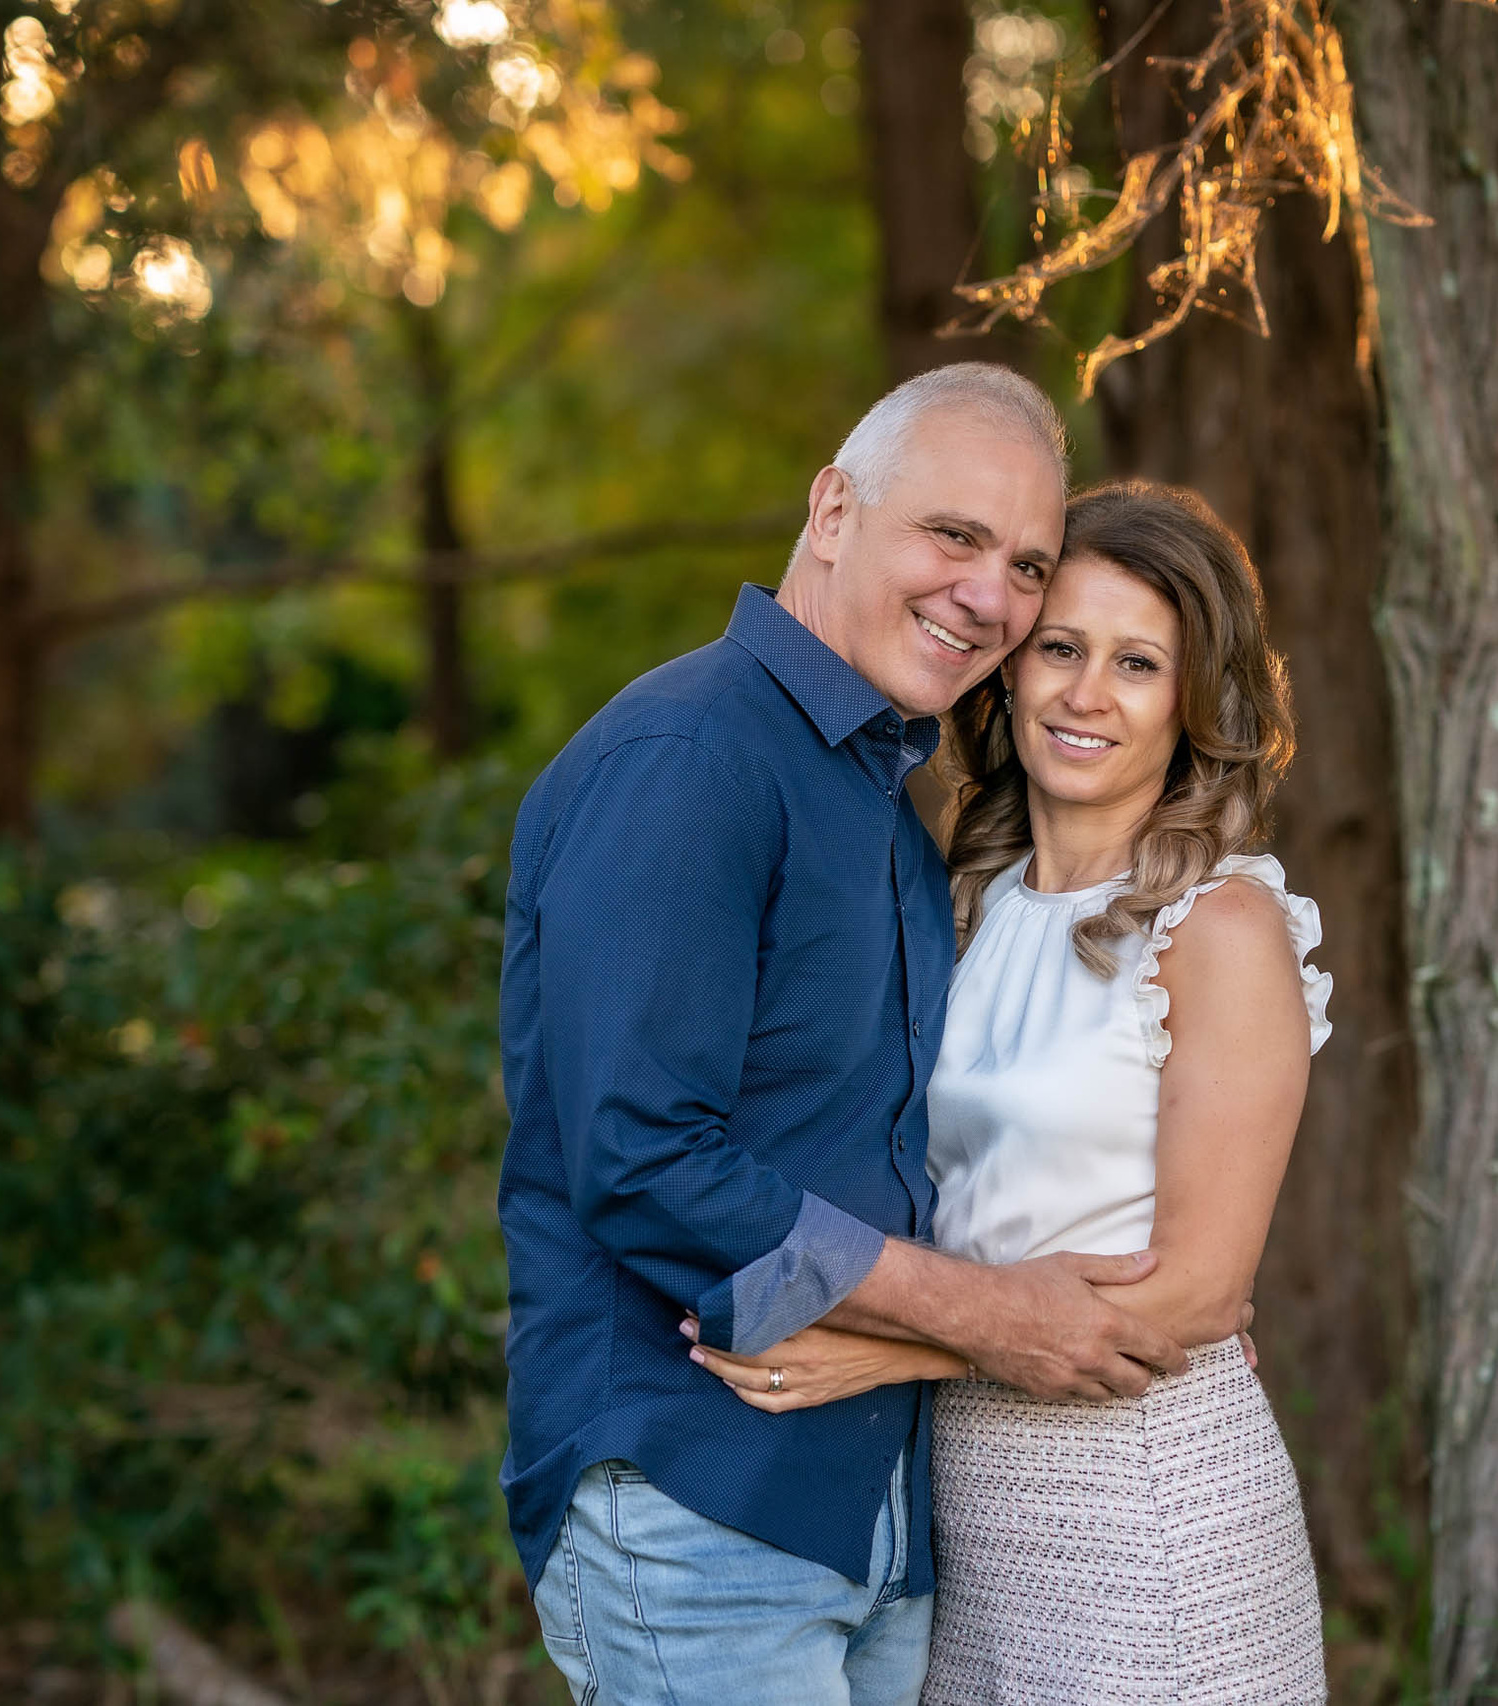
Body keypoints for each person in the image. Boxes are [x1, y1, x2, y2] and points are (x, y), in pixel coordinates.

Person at [497, 367, 1194, 1706]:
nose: (990, 595)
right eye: (954, 536)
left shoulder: (880, 796)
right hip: (698, 1497)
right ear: (832, 510)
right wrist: (994, 1315)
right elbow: (642, 1158)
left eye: (1027, 562)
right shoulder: (691, 757)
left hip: (870, 1516)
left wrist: (1165, 1291)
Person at [691, 482, 1332, 1701]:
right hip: (966, 1514)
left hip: (1149, 1502)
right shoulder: (959, 908)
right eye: (1060, 648)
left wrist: (883, 1351)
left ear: (1192, 705)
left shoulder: (1223, 923)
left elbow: (1197, 1291)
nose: (1086, 693)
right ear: (1010, 667)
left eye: (1137, 662)